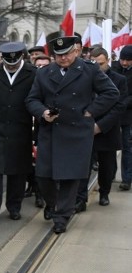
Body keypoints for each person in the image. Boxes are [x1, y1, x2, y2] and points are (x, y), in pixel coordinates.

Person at [26, 34, 119, 234]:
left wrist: (91, 111)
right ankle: (52, 204)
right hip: (50, 131)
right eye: (59, 55)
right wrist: (43, 113)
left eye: (67, 54)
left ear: (75, 51)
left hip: (77, 132)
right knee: (43, 176)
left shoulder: (89, 70)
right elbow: (32, 100)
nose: (63, 58)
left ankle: (62, 217)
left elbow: (111, 93)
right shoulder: (44, 73)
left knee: (70, 177)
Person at [0, 42, 37, 222]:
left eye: (14, 62)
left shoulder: (33, 73)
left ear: (21, 57)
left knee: (17, 172)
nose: (11, 66)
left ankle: (14, 207)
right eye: (8, 62)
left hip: (21, 130)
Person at [76, 46, 127, 207]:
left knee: (107, 166)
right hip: (86, 127)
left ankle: (104, 193)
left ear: (108, 61)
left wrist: (100, 126)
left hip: (107, 129)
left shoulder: (119, 80)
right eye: (95, 63)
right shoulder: (84, 77)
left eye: (101, 63)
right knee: (83, 166)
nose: (98, 67)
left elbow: (119, 106)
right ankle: (80, 198)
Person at [115, 45, 132, 191]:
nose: (124, 63)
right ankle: (109, 176)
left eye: (128, 60)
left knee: (127, 148)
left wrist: (123, 103)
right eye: (122, 59)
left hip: (128, 116)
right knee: (110, 147)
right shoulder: (114, 68)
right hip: (112, 114)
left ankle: (126, 179)